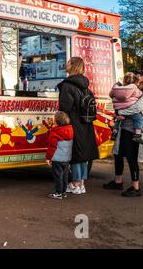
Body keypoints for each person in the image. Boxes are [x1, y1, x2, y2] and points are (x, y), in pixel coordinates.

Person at [104, 70, 143, 197]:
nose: (139, 76)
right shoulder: (136, 89)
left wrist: (120, 113)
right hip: (124, 127)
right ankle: (118, 182)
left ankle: (136, 187)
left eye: (141, 75)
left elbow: (137, 107)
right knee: (118, 154)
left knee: (131, 158)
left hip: (135, 129)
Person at [57, 57, 99, 195]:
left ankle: (74, 184)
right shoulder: (85, 85)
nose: (66, 64)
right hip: (86, 123)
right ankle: (81, 184)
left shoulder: (67, 85)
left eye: (68, 62)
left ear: (73, 66)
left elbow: (65, 107)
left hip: (73, 123)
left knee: (75, 155)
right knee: (83, 155)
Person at [109, 72, 143, 144]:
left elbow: (111, 94)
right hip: (129, 109)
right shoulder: (134, 88)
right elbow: (140, 94)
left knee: (118, 120)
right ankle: (137, 135)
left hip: (118, 109)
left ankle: (114, 132)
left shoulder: (116, 88)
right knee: (139, 118)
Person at [46, 111, 74, 200]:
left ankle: (58, 193)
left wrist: (48, 158)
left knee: (58, 176)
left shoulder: (55, 132)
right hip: (66, 158)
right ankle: (63, 192)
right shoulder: (70, 130)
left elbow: (52, 147)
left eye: (54, 119)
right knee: (65, 175)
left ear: (56, 122)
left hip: (57, 159)